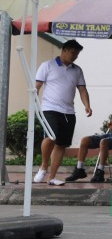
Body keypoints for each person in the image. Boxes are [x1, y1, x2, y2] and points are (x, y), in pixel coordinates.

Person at [33, 40, 92, 187]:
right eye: (73, 53)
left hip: (68, 112)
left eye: (77, 54)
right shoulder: (47, 65)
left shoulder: (77, 70)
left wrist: (87, 105)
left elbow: (82, 89)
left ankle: (52, 177)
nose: (75, 56)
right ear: (64, 50)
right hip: (49, 108)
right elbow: (37, 86)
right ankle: (44, 166)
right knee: (50, 138)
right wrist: (34, 105)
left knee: (61, 145)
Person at [67, 90, 112, 183]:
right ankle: (79, 169)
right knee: (85, 140)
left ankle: (100, 172)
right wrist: (110, 124)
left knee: (104, 141)